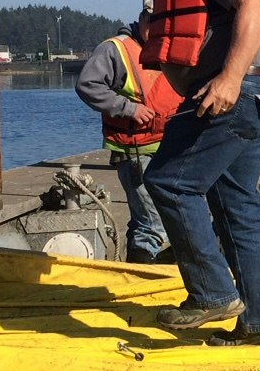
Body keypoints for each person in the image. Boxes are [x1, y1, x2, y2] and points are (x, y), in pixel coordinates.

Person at [112, 0, 260, 346]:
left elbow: (254, 3)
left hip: (238, 94)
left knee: (168, 181)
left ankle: (212, 293)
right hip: (254, 96)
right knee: (237, 206)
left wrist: (230, 79)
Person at [74, 20, 182, 263]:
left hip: (168, 144)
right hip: (134, 150)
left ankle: (139, 268)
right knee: (154, 222)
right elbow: (87, 85)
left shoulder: (170, 47)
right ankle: (144, 276)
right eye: (153, 23)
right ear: (143, 19)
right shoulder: (116, 48)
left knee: (148, 218)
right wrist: (128, 109)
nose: (158, 30)